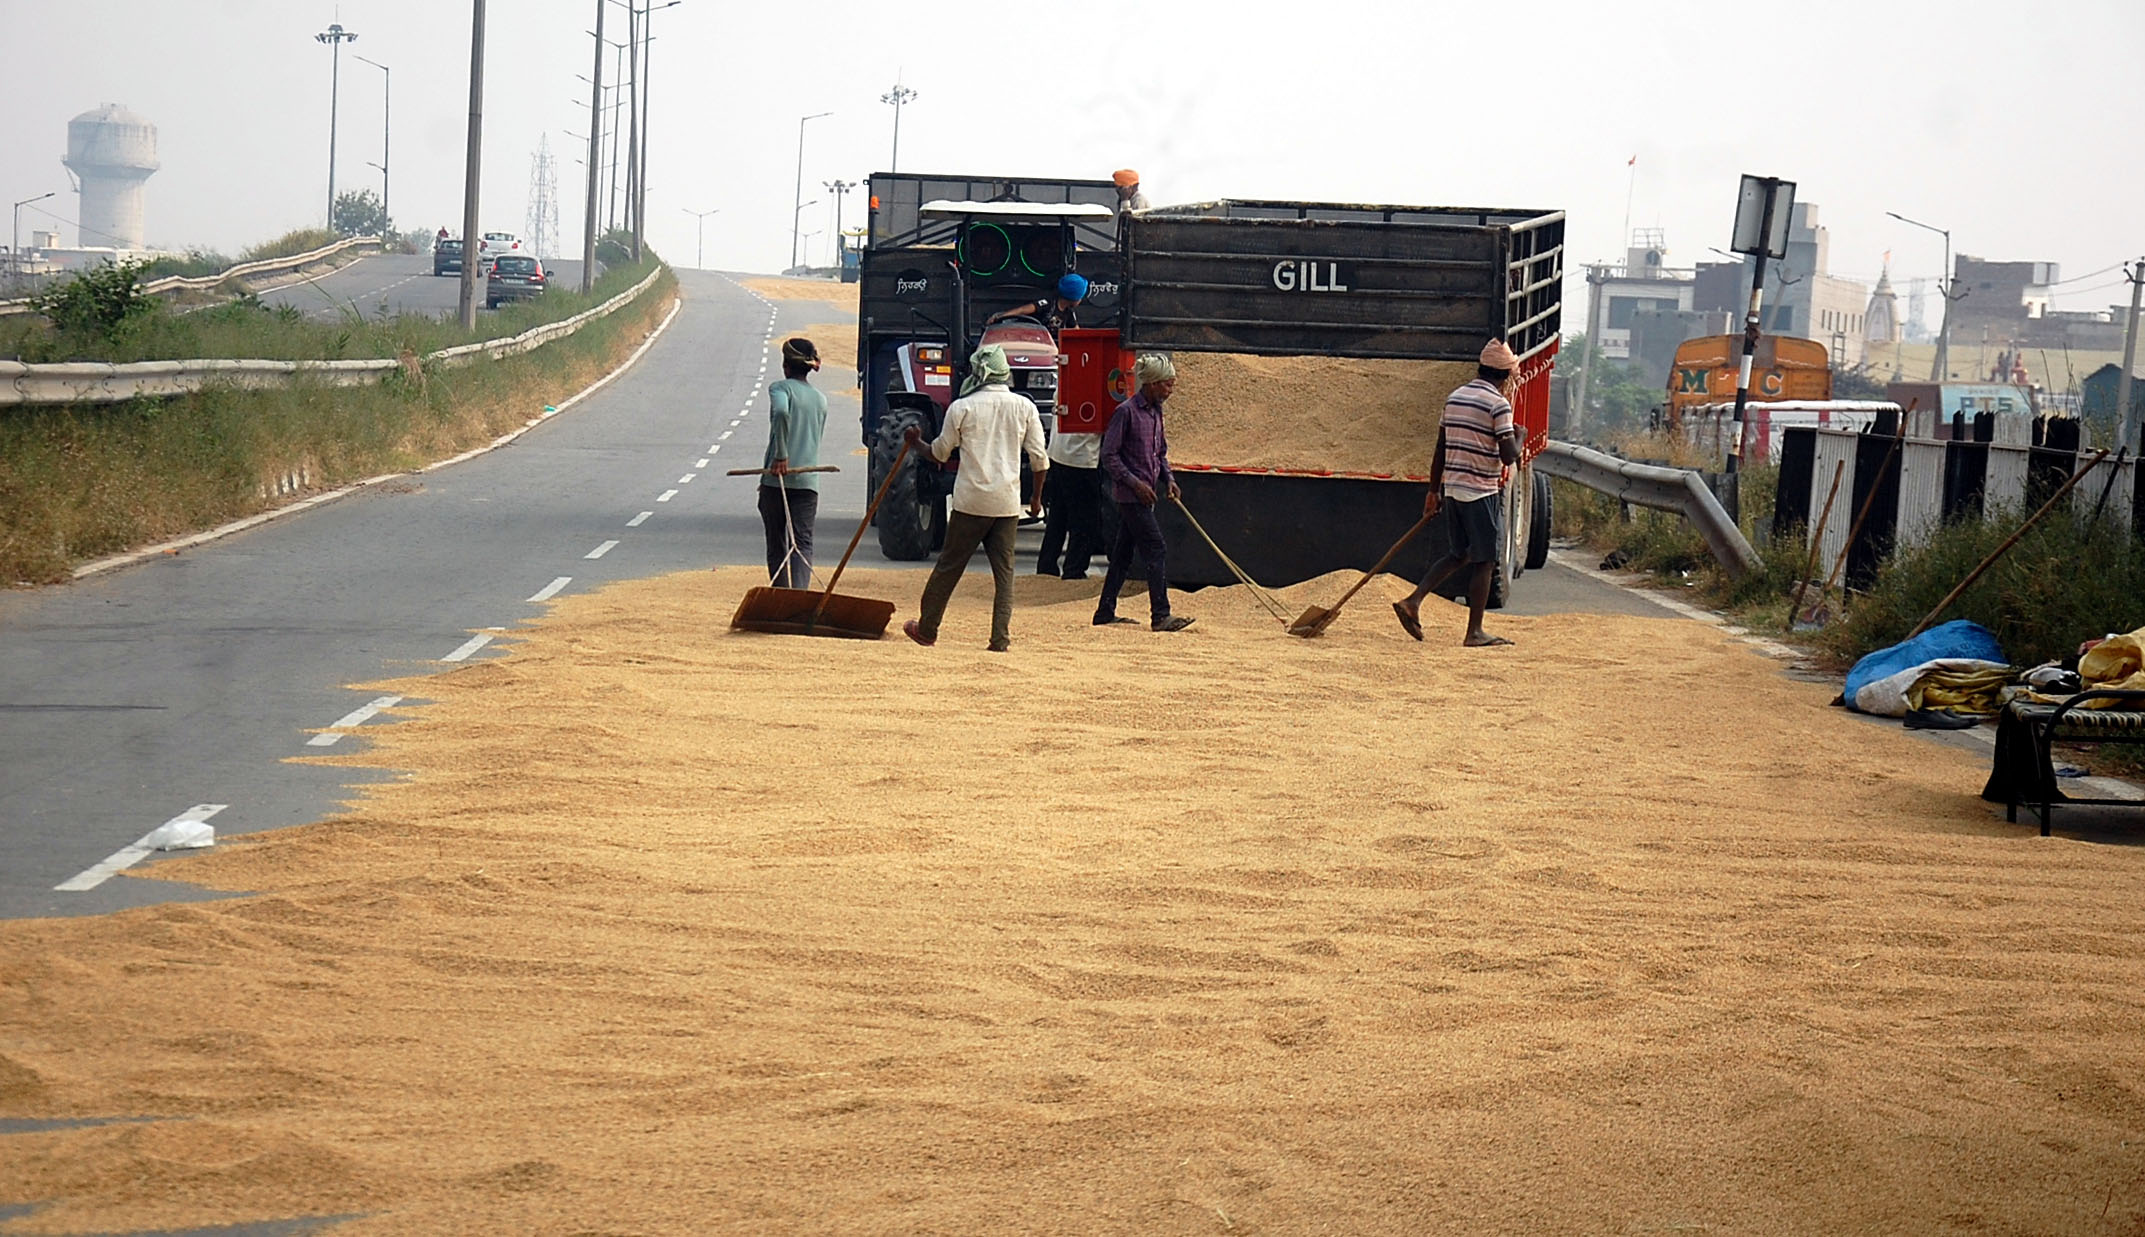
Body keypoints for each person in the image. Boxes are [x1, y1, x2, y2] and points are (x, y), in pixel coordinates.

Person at [902, 343, 1049, 652]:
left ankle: (927, 629)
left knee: (949, 567)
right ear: (1005, 373)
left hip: (970, 502)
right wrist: (1036, 499)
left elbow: (939, 453)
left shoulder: (961, 407)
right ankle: (1000, 639)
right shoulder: (1025, 407)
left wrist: (916, 443)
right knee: (1004, 575)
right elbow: (1039, 460)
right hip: (1006, 503)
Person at [1391, 338, 1523, 647]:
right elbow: (1508, 456)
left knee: (1459, 554)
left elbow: (1441, 448)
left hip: (1453, 489)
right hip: (1480, 491)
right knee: (1485, 560)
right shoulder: (1499, 405)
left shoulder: (1455, 397)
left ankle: (1413, 601)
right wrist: (1520, 436)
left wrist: (1433, 490)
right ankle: (1474, 632)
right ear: (1505, 375)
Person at [1093, 353, 1194, 632]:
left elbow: (1160, 453)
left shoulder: (1156, 412)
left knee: (1122, 555)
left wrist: (1168, 479)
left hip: (1146, 496)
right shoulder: (1125, 412)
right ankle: (1160, 615)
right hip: (1131, 498)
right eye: (1167, 384)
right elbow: (1109, 456)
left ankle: (1104, 612)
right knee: (1156, 547)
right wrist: (1136, 484)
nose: (1170, 390)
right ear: (1151, 384)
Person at [757, 337, 827, 589]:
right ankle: (800, 595)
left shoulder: (780, 389)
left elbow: (781, 412)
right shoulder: (820, 399)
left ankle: (781, 595)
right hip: (807, 482)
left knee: (777, 543)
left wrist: (781, 455)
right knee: (803, 543)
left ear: (785, 365)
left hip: (776, 480)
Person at [1036, 412, 1105, 579]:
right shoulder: (1094, 395)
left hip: (1058, 453)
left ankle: (1046, 567)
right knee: (1085, 522)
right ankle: (1074, 570)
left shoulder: (1064, 392)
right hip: (1083, 457)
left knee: (1057, 518)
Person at [986, 272, 1088, 335]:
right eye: (1080, 297)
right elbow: (1022, 310)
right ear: (1073, 297)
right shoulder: (1047, 304)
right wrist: (1000, 316)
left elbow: (1077, 333)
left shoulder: (1069, 313)